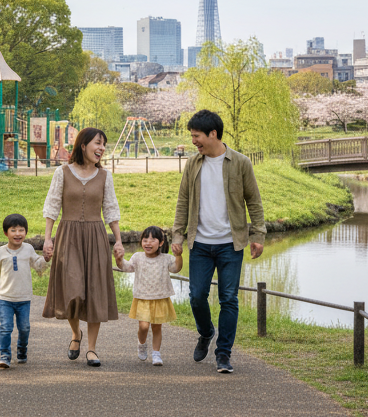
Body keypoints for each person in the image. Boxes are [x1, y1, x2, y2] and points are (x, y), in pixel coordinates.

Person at [170, 109, 265, 374]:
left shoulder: (241, 163)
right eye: (192, 136)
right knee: (197, 296)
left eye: (197, 136)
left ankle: (224, 353)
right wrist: (177, 235)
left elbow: (254, 202)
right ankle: (206, 332)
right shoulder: (193, 164)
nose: (193, 141)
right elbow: (182, 202)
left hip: (230, 244)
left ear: (213, 134)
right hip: (199, 243)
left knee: (228, 299)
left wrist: (257, 235)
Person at [41, 127, 123, 367]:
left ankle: (92, 349)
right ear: (83, 145)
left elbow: (111, 209)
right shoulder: (62, 172)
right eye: (97, 143)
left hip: (96, 237)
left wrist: (117, 240)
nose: (101, 148)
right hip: (68, 237)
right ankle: (76, 334)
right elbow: (52, 206)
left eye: (104, 144)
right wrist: (48, 239)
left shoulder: (105, 176)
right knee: (73, 291)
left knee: (95, 292)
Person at [0, 214, 49, 369]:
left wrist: (46, 259)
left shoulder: (28, 249)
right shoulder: (0, 252)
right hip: (5, 298)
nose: (18, 234)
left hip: (23, 298)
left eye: (21, 230)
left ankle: (22, 349)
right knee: (5, 327)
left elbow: (38, 265)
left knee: (24, 328)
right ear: (6, 233)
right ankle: (5, 355)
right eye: (13, 230)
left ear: (26, 232)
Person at [115, 226, 182, 366]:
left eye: (152, 240)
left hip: (159, 298)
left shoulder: (166, 259)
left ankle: (156, 353)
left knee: (157, 327)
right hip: (143, 298)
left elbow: (176, 269)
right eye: (145, 240)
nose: (148, 243)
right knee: (144, 327)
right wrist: (119, 259)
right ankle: (141, 343)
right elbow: (126, 267)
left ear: (161, 243)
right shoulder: (137, 257)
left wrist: (178, 256)